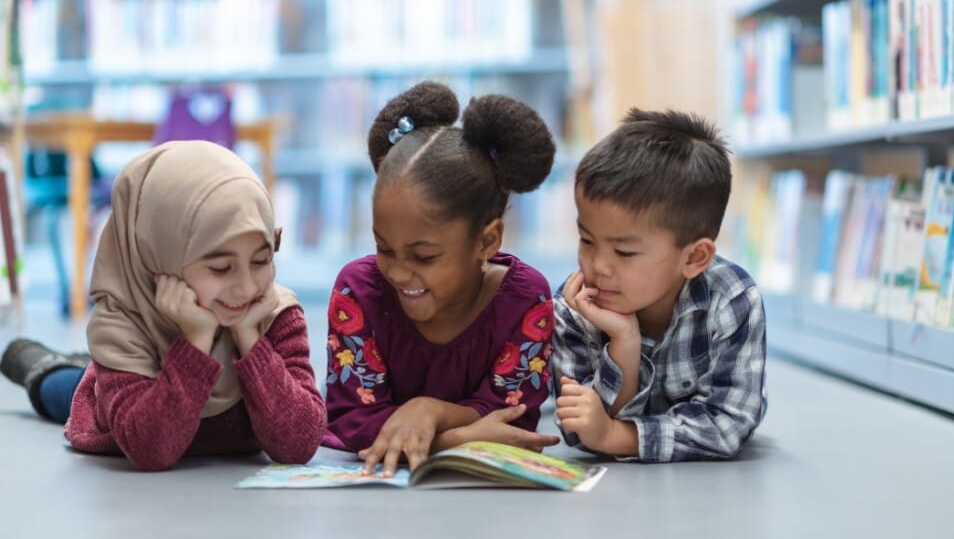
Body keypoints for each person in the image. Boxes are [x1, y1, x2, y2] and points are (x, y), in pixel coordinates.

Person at [0, 141, 327, 471]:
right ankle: (42, 365)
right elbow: (151, 450)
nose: (245, 288)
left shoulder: (275, 314)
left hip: (160, 376)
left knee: (93, 373)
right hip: (115, 409)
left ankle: (85, 365)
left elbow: (299, 444)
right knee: (64, 390)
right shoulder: (122, 326)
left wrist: (249, 338)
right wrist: (197, 342)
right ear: (160, 254)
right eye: (220, 268)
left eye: (261, 260)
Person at [323, 81, 560, 476]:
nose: (398, 272)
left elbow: (511, 421)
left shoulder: (526, 300)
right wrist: (455, 438)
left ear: (487, 241)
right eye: (384, 248)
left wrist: (428, 410)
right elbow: (353, 421)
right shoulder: (358, 291)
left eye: (424, 256)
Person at [551, 108, 766, 462]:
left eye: (624, 251)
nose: (598, 266)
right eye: (586, 240)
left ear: (695, 258)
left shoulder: (732, 300)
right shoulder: (574, 304)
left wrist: (616, 436)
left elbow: (728, 425)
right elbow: (579, 430)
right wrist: (625, 343)